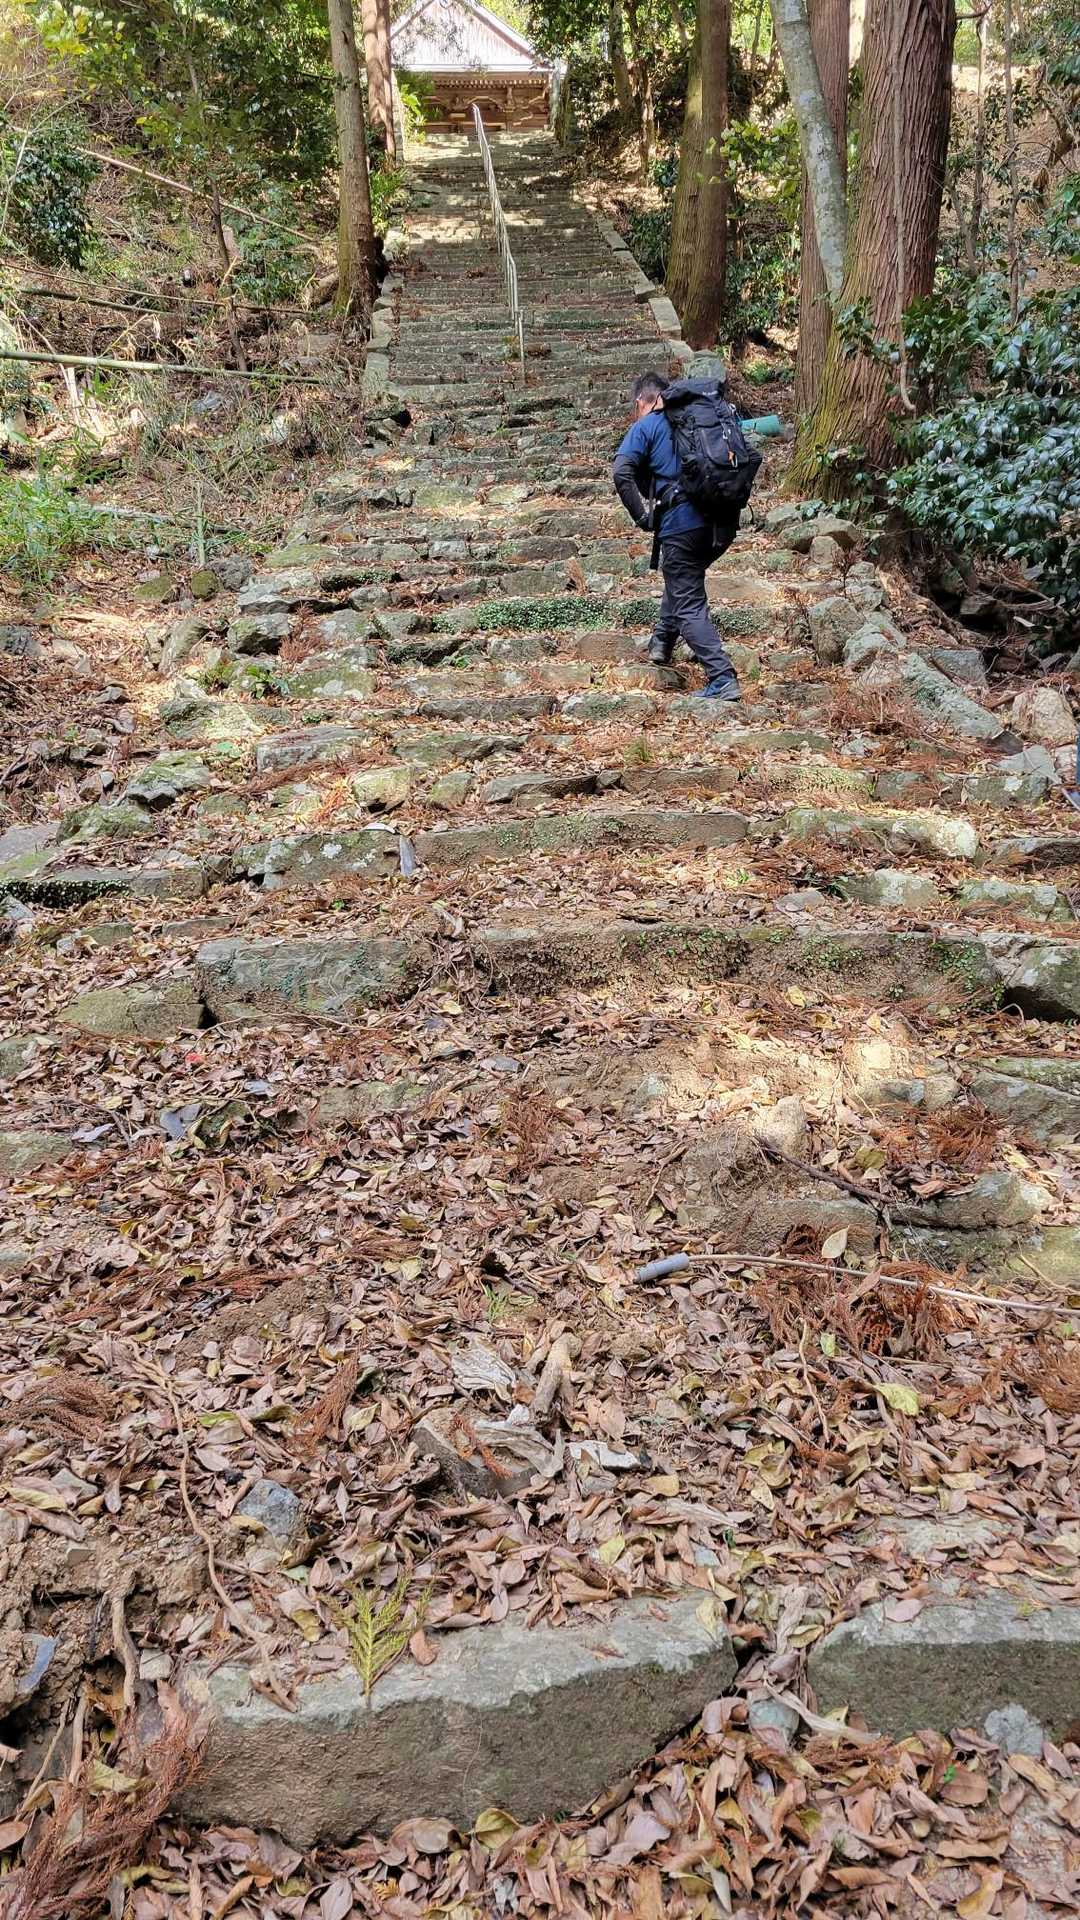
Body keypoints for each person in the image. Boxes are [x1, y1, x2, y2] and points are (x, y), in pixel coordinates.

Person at [612, 370, 742, 702]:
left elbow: (621, 472)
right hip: (723, 521)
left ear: (641, 401)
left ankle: (722, 677)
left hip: (682, 522)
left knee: (687, 599)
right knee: (681, 576)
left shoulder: (647, 425)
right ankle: (663, 642)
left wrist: (641, 516)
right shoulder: (702, 420)